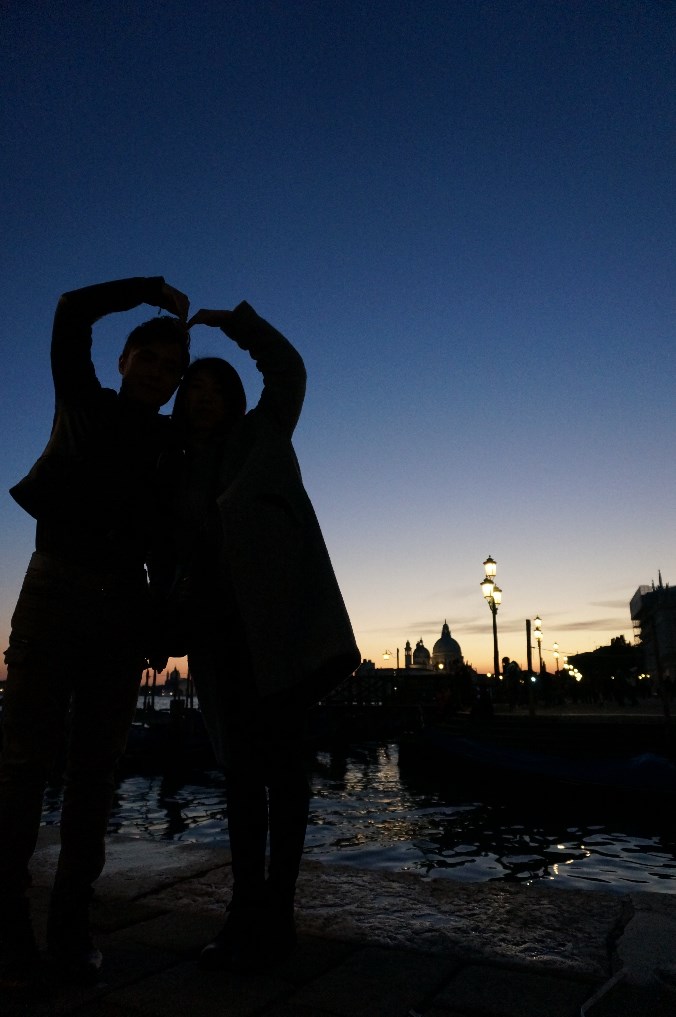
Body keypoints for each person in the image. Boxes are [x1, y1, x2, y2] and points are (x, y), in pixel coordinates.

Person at [0, 276, 190, 987]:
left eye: (171, 368)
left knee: (93, 775)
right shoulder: (82, 401)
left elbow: (166, 546)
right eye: (148, 359)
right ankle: (10, 926)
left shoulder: (172, 445)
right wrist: (148, 290)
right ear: (122, 360)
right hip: (54, 590)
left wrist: (161, 620)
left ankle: (71, 924)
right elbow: (71, 310)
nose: (159, 374)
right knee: (24, 763)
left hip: (123, 608)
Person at [162, 301, 360, 972]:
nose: (203, 397)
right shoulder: (176, 465)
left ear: (235, 399)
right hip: (216, 636)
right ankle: (243, 909)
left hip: (280, 631)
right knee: (241, 777)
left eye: (215, 388)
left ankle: (279, 909)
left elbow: (288, 369)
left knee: (287, 773)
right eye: (193, 387)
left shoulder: (265, 432)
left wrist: (235, 323)